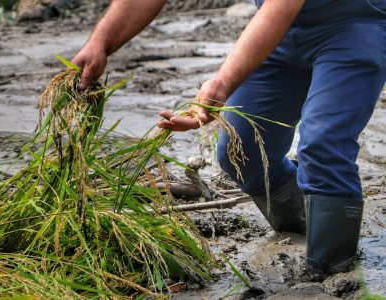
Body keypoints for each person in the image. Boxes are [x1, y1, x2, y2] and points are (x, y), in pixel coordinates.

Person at [73, 0, 386, 274]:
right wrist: (102, 41)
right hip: (284, 32)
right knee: (241, 152)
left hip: (354, 24)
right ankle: (308, 229)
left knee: (323, 148)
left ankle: (333, 271)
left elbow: (283, 4)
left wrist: (223, 81)